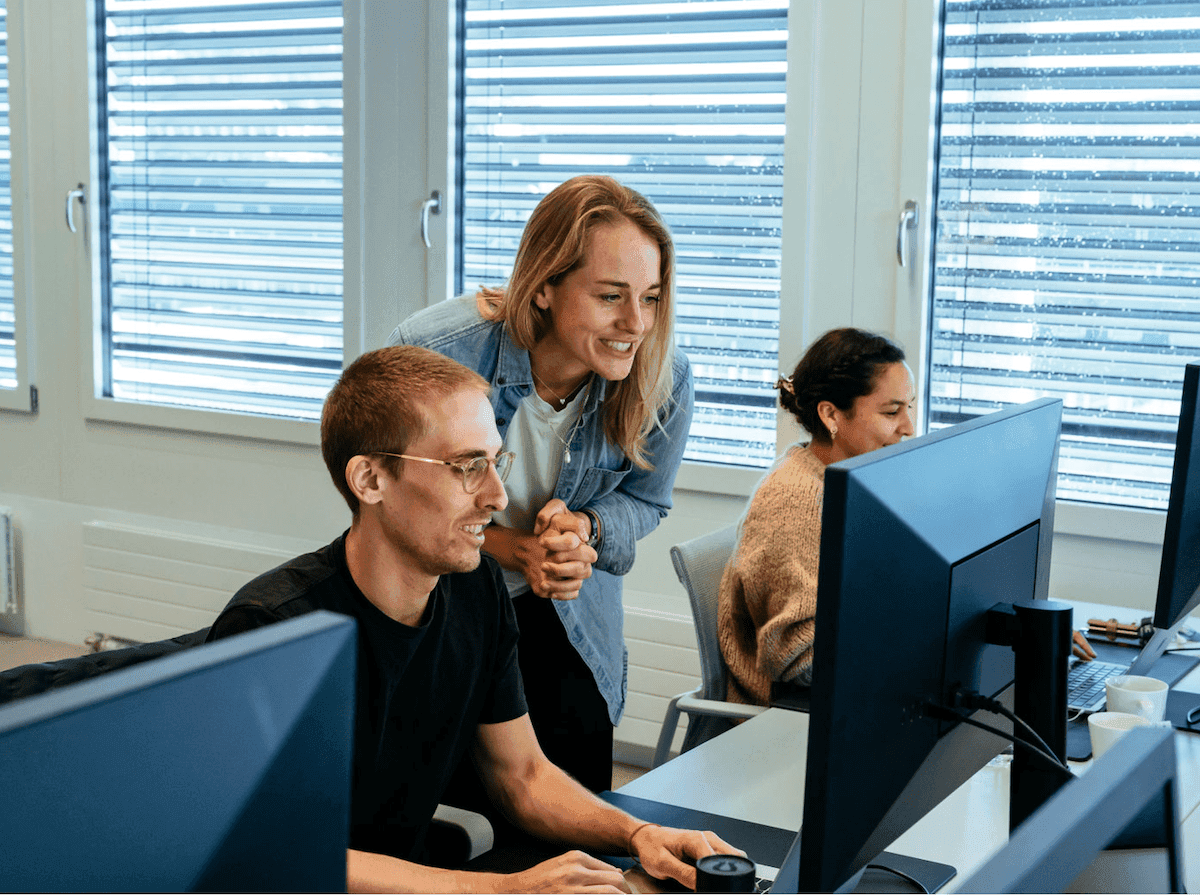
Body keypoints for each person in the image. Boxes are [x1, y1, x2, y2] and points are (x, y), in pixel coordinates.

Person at [205, 345, 737, 892]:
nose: (498, 495)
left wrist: (638, 833)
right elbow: (270, 852)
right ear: (370, 481)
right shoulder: (270, 631)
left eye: (496, 461)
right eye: (467, 466)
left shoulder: (475, 589)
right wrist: (496, 890)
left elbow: (523, 777)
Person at [389, 175, 693, 794]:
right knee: (441, 806)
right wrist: (513, 548)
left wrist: (585, 529)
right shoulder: (434, 353)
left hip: (565, 610)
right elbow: (392, 500)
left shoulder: (665, 377)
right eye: (611, 296)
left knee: (570, 804)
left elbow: (645, 501)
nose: (635, 323)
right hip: (445, 596)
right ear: (547, 286)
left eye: (652, 297)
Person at [717, 328, 916, 706]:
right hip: (794, 714)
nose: (908, 427)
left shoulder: (857, 478)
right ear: (831, 414)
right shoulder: (797, 500)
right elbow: (801, 659)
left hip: (844, 690)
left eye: (909, 407)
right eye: (892, 411)